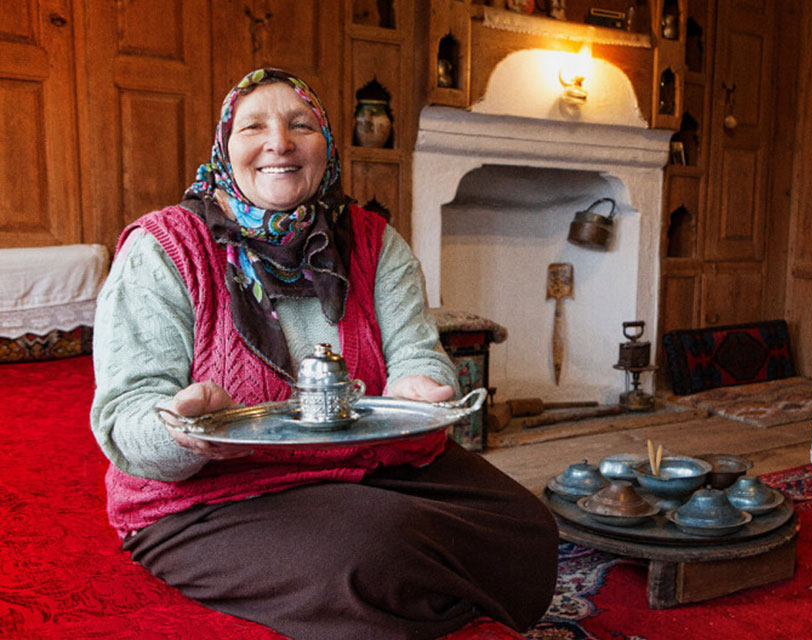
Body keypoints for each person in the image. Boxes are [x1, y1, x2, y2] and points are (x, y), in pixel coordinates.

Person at [90, 68, 559, 640]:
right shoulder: (165, 249)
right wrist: (181, 431)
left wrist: (420, 384)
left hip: (367, 466)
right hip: (211, 497)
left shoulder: (372, 240)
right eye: (253, 127)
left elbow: (417, 351)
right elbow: (127, 411)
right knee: (376, 546)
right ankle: (409, 602)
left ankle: (402, 603)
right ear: (223, 148)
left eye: (301, 125)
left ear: (327, 147)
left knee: (526, 526)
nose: (279, 143)